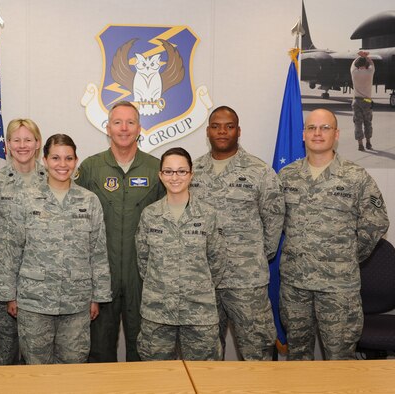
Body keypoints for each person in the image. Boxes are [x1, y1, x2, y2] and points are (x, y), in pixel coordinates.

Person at [279, 108, 389, 360]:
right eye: (312, 128)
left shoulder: (355, 176)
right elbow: (275, 222)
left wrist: (347, 255)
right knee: (297, 356)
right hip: (296, 286)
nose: (318, 133)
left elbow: (376, 222)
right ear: (303, 134)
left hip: (338, 287)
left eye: (325, 128)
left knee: (340, 360)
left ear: (336, 134)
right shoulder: (286, 176)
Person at [0, 134, 112, 364]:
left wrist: (97, 297)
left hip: (76, 303)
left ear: (76, 160)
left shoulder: (89, 201)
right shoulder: (26, 199)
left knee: (73, 370)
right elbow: (12, 249)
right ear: (45, 160)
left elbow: (98, 252)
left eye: (68, 158)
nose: (62, 164)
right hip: (34, 302)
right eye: (56, 158)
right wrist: (10, 294)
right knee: (36, 372)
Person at [191, 106, 284, 361]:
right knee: (205, 356)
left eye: (229, 126)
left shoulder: (259, 171)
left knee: (258, 353)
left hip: (247, 282)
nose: (222, 131)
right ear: (208, 131)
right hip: (204, 281)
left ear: (238, 131)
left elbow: (274, 220)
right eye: (216, 126)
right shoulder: (192, 172)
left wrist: (252, 256)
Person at [75, 101, 165, 362]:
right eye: (117, 122)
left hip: (144, 278)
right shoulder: (91, 169)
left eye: (130, 122)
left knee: (144, 350)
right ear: (108, 128)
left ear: (139, 128)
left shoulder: (156, 169)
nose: (124, 128)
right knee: (99, 351)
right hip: (103, 276)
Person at [136, 147, 224, 361]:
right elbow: (143, 262)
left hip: (199, 314)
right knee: (157, 379)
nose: (175, 177)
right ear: (160, 175)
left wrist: (195, 289)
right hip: (158, 313)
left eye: (181, 171)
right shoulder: (150, 215)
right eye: (168, 171)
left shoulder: (208, 215)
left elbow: (217, 262)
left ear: (191, 175)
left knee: (204, 379)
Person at [0, 118, 45, 365]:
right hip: (0, 285)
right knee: (4, 355)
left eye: (28, 139)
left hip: (40, 286)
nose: (22, 145)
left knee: (36, 358)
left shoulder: (52, 179)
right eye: (16, 140)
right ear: (7, 144)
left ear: (38, 143)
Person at [350, 51, 375, 151]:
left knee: (358, 123)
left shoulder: (354, 73)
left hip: (356, 101)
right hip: (367, 101)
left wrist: (359, 56)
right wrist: (366, 57)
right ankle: (368, 143)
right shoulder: (369, 72)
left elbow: (353, 64)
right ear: (366, 64)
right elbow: (372, 64)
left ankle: (360, 145)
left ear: (358, 64)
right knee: (368, 123)